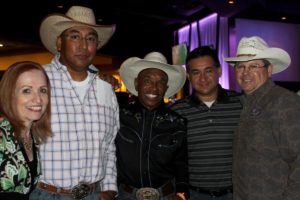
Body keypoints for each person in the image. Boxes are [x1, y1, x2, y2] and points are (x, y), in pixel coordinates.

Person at [29, 6, 119, 200]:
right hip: (47, 194)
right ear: (59, 43)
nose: (83, 46)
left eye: (91, 38)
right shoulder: (37, 79)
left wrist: (110, 188)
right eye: (75, 36)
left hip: (95, 194)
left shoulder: (106, 88)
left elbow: (109, 145)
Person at [224, 36, 300, 199]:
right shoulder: (245, 104)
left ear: (269, 69)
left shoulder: (285, 102)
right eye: (241, 66)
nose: (246, 73)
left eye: (254, 66)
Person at [170, 46, 242, 200]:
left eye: (208, 71)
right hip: (195, 195)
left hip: (236, 194)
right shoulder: (176, 111)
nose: (203, 79)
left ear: (219, 71)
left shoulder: (241, 104)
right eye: (196, 73)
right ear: (189, 76)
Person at [116, 52, 189, 200]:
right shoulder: (118, 116)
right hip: (125, 195)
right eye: (148, 81)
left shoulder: (177, 123)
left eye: (161, 82)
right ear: (137, 83)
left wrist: (181, 194)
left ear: (166, 87)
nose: (154, 88)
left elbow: (181, 163)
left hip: (166, 196)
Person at [0, 61, 52, 200]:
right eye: (26, 90)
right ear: (10, 94)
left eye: (43, 90)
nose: (38, 99)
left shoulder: (31, 135)